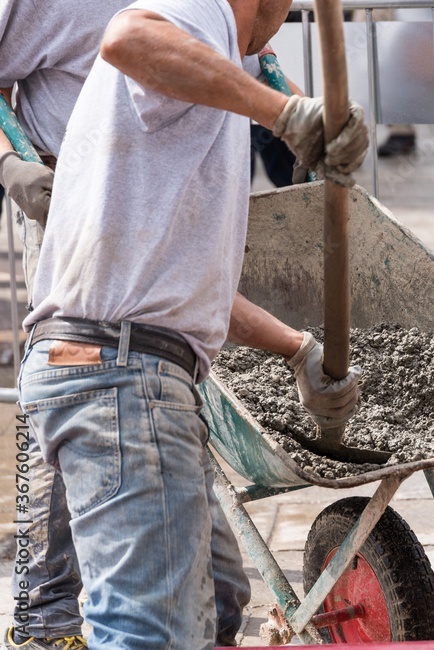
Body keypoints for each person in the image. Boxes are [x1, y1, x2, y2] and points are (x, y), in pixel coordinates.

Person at [15, 1, 368, 649]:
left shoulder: (193, 92)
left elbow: (186, 285)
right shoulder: (198, 10)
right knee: (149, 632)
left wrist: (297, 349)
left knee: (220, 596)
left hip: (100, 363)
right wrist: (284, 113)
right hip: (119, 374)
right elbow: (128, 36)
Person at [0, 2, 255, 648]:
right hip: (71, 225)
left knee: (206, 581)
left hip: (155, 232)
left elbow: (248, 54)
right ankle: (43, 619)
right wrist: (10, 163)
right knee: (81, 411)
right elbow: (129, 40)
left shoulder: (208, 15)